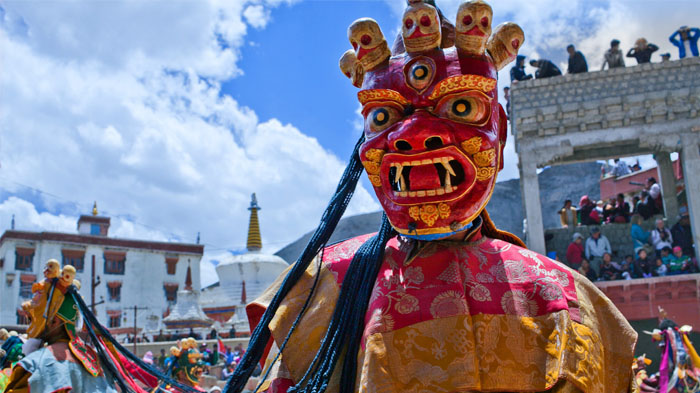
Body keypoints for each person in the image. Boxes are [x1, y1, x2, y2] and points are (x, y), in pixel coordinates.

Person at [238, 4, 638, 392]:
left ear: (499, 132)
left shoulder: (565, 297)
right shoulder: (321, 287)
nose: (413, 135)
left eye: (460, 106)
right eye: (384, 116)